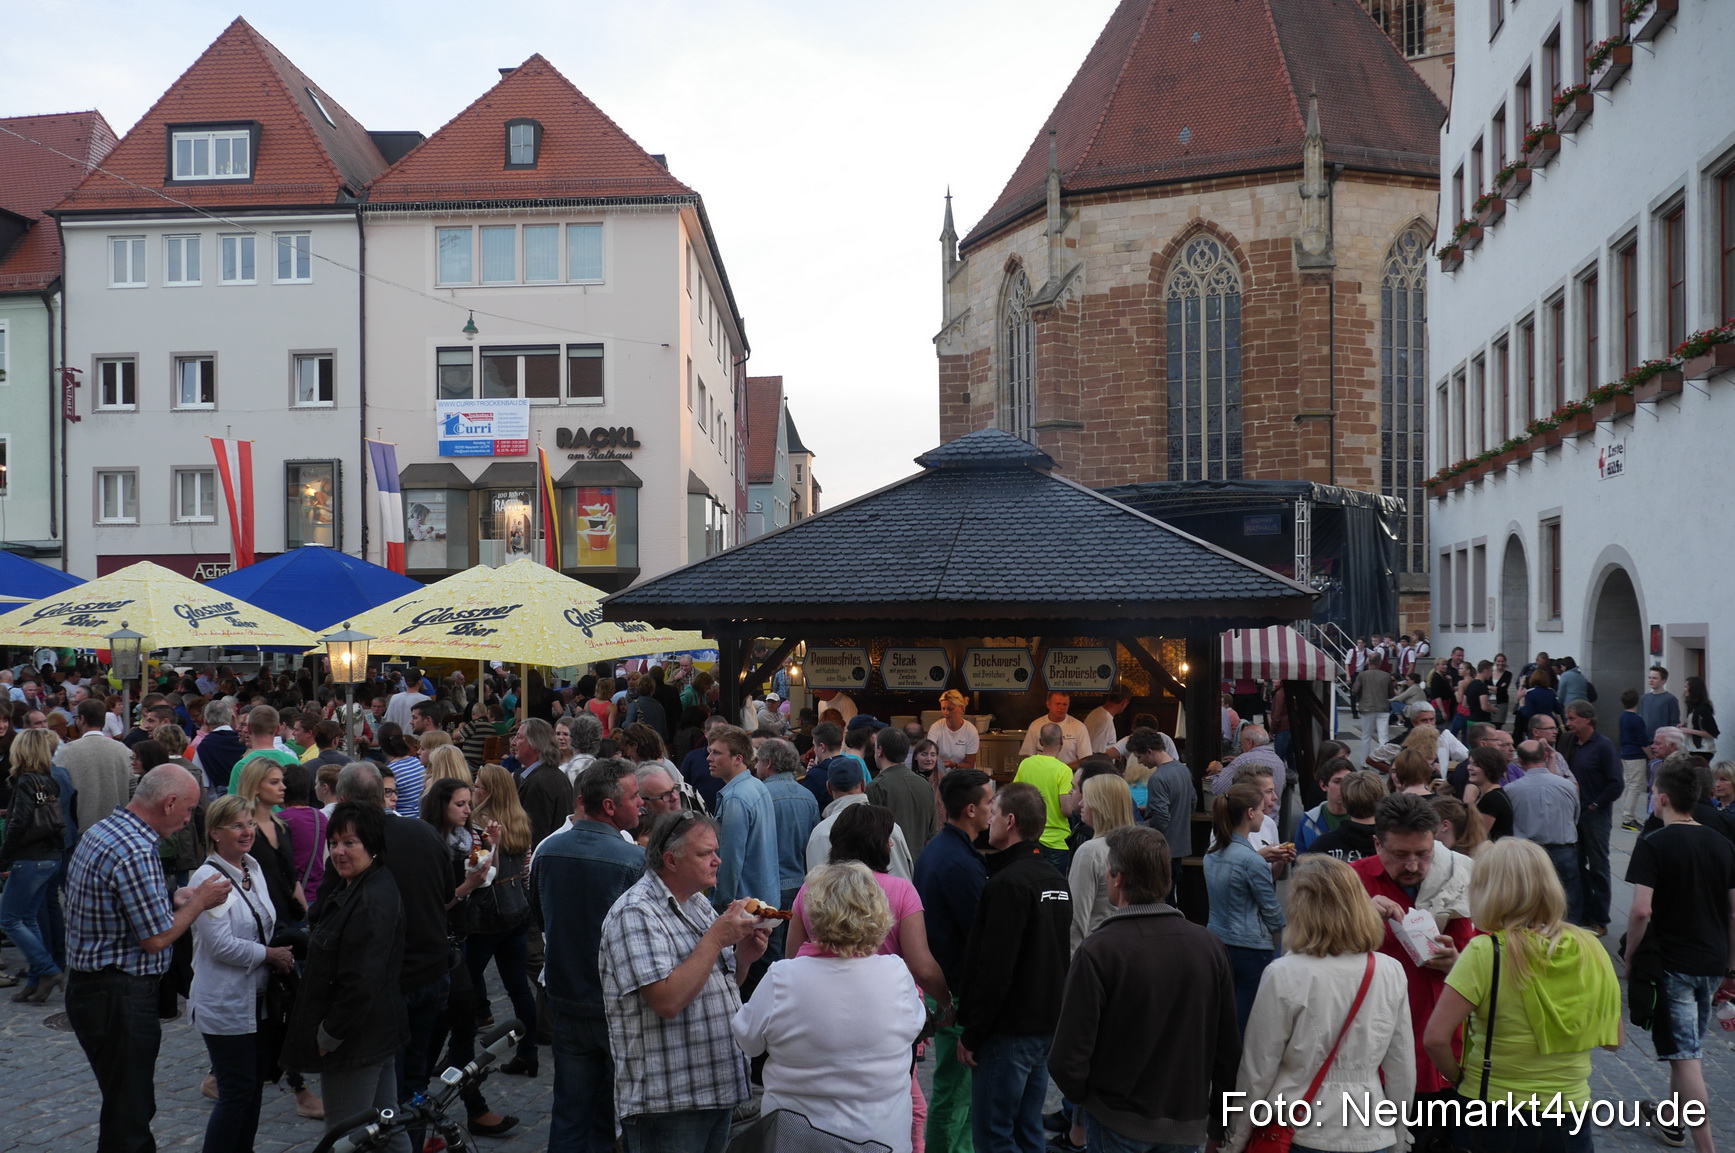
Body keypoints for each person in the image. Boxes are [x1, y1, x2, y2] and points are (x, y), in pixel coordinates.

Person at [64, 765, 230, 1152]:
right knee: (130, 1112)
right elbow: (156, 938)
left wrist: (169, 901)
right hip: (117, 995)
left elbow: (115, 904)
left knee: (125, 1105)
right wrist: (200, 901)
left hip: (97, 991)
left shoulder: (106, 830)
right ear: (168, 803)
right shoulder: (135, 849)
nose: (190, 819)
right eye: (188, 810)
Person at [1047, 825, 1238, 1153]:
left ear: (1117, 879)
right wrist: (1220, 1125)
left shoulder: (1100, 950)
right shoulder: (1209, 947)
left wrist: (1087, 1101)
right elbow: (1227, 1050)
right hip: (1186, 1123)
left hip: (1116, 1119)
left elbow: (1067, 1056)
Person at [1424, 838, 1622, 1153]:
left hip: (1492, 1110)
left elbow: (1435, 1038)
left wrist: (1459, 1078)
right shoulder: (1591, 948)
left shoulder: (1485, 951)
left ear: (1488, 891)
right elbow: (1613, 1041)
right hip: (1568, 1112)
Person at [599, 812, 771, 1152]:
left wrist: (743, 959)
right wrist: (716, 940)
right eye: (705, 853)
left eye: (716, 851)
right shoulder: (636, 912)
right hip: (669, 1101)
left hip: (714, 1089)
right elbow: (667, 1001)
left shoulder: (697, 903)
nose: (717, 860)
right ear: (670, 859)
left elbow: (718, 985)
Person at [734, 862, 928, 1152]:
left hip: (796, 1139)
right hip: (881, 1139)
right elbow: (914, 1026)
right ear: (876, 912)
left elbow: (747, 1041)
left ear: (814, 913)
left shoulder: (783, 977)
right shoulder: (896, 973)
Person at [1227, 855, 1415, 1153]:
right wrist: (1400, 1133)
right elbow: (1401, 1066)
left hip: (1299, 1126)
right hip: (1370, 1126)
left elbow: (1257, 1070)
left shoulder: (1284, 973)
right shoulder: (1389, 970)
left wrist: (1235, 1140)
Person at [281, 802, 411, 1153]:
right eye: (334, 842)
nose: (338, 851)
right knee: (388, 1125)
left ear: (371, 846)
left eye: (349, 843)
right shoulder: (359, 883)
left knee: (344, 1138)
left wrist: (329, 1035)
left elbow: (360, 980)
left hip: (355, 1041)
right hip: (376, 1031)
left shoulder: (371, 898)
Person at [1623, 757, 1735, 1153]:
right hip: (1711, 961)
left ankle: (1706, 1146)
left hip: (1674, 964)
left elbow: (1640, 910)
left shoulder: (1654, 843)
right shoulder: (1721, 844)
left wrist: (1632, 954)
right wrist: (1731, 966)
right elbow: (1734, 909)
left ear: (1663, 798)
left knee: (1687, 1057)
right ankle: (1672, 1122)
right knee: (1682, 1051)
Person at [956, 782, 1072, 1153]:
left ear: (1011, 820)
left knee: (994, 1134)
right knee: (1027, 1129)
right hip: (1044, 1027)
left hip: (1007, 1032)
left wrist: (972, 1032)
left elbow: (995, 967)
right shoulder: (1055, 880)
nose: (988, 818)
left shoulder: (1007, 884)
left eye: (995, 811)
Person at [1353, 793, 1474, 1147]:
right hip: (1379, 1053)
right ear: (1377, 843)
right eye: (1400, 855)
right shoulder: (1351, 884)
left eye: (1423, 854)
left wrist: (1459, 964)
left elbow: (1495, 956)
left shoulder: (1462, 876)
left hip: (1449, 1052)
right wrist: (1358, 915)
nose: (1412, 866)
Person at [537, 759, 645, 1153]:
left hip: (567, 998)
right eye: (634, 797)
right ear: (611, 806)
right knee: (611, 1110)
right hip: (612, 1004)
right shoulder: (632, 860)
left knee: (570, 1109)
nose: (642, 804)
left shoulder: (548, 851)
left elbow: (543, 919)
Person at [189, 793, 297, 1153]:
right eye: (237, 825)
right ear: (215, 833)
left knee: (251, 1089)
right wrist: (269, 954)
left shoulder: (252, 867)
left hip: (259, 1001)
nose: (247, 831)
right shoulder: (208, 878)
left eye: (250, 823)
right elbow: (221, 945)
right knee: (235, 1092)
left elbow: (264, 921)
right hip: (225, 1002)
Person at [914, 769, 993, 1153]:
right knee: (955, 1094)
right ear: (971, 809)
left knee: (956, 1092)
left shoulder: (940, 850)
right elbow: (982, 934)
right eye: (991, 802)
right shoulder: (958, 862)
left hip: (949, 988)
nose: (995, 810)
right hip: (958, 992)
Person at [468, 762, 541, 1077]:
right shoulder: (521, 821)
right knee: (518, 988)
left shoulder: (477, 825)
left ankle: (457, 1055)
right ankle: (529, 1052)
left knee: (466, 981)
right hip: (517, 911)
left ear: (488, 791)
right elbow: (525, 872)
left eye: (478, 785)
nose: (473, 789)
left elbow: (477, 873)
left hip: (486, 916)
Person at [1205, 782, 1284, 1033]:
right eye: (1261, 810)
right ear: (1250, 813)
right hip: (1251, 946)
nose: (1264, 815)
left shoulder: (1212, 854)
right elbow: (1271, 910)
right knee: (1248, 1022)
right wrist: (1278, 937)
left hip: (1218, 940)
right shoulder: (1251, 861)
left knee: (1223, 1015)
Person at [1, 728, 68, 1002]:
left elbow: (20, 822)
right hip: (49, 857)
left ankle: (47, 969)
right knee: (28, 917)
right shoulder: (48, 779)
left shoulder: (27, 781)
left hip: (30, 858)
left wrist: (4, 855)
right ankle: (35, 980)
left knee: (8, 918)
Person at [1560, 699, 1621, 934]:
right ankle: (1582, 911)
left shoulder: (1603, 746)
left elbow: (1616, 783)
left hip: (1595, 816)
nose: (1568, 723)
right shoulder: (1569, 742)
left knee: (1598, 866)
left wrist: (1596, 804)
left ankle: (1600, 918)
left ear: (1588, 719)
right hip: (1573, 814)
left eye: (1573, 718)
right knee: (1575, 864)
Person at [752, 736, 820, 945]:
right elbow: (812, 844)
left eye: (758, 761)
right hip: (801, 885)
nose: (755, 766)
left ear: (769, 763)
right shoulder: (808, 796)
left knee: (768, 951)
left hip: (768, 888)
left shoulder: (759, 795)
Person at [706, 724, 779, 910]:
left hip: (743, 908)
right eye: (710, 752)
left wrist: (721, 907)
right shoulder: (757, 785)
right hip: (763, 901)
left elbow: (729, 862)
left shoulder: (735, 798)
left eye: (716, 753)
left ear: (737, 759)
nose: (709, 758)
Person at [235, 758, 306, 930]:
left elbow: (292, 878)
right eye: (274, 782)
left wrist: (306, 913)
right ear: (256, 787)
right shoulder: (242, 832)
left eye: (282, 781)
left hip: (288, 919)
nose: (283, 787)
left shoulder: (283, 827)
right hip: (255, 922)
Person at [1068, 773, 1136, 952]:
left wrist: (1073, 964)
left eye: (1087, 798)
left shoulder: (1090, 852)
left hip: (1096, 951)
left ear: (1100, 805)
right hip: (1131, 949)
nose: (1081, 803)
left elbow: (1076, 918)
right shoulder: (1139, 845)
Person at [54, 697, 132, 843]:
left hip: (82, 830)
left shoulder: (66, 753)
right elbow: (133, 788)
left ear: (81, 719)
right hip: (118, 831)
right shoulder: (124, 751)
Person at [1012, 722, 1077, 874]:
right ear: (1062, 741)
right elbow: (1066, 810)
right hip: (1057, 842)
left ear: (1040, 742)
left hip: (1028, 838)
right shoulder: (1064, 770)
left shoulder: (1025, 764)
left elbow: (1015, 796)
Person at [868, 726, 939, 859]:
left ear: (879, 750)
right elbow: (932, 834)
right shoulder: (925, 785)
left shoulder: (876, 787)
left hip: (889, 867)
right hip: (920, 866)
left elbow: (873, 837)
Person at [1296, 757, 1355, 853]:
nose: (1344, 787)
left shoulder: (1364, 819)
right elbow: (1300, 858)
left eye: (1348, 781)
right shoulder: (1308, 821)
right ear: (1323, 785)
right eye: (1337, 782)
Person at [1018, 691, 1092, 766]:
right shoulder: (1035, 725)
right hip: (1042, 774)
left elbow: (1085, 759)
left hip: (1069, 775)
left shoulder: (1079, 727)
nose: (1061, 707)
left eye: (1064, 704)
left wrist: (1062, 770)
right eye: (1058, 704)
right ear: (1048, 704)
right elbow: (1026, 756)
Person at [1619, 688, 1652, 831]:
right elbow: (1642, 740)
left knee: (1628, 785)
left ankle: (1626, 814)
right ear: (1637, 702)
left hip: (1625, 754)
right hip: (1635, 755)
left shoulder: (1623, 717)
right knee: (1635, 786)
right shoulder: (1637, 720)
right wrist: (1650, 755)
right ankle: (1628, 818)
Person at [1466, 747, 1513, 842]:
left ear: (1489, 768)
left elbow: (1478, 837)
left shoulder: (1492, 799)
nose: (1469, 768)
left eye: (1476, 765)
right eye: (1470, 763)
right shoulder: (1489, 795)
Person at [1352, 658, 1396, 761]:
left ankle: (1364, 762)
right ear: (1380, 663)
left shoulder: (1362, 675)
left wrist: (1361, 696)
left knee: (1366, 736)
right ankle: (1383, 761)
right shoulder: (1386, 675)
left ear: (1368, 662)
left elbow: (1355, 690)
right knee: (1383, 736)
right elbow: (1391, 694)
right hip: (1383, 708)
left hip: (1367, 707)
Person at [930, 689, 980, 773]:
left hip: (962, 777)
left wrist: (954, 765)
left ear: (961, 708)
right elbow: (930, 754)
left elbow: (970, 765)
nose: (946, 712)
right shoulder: (936, 728)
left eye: (950, 709)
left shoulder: (970, 731)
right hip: (940, 777)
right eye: (943, 708)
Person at [1081, 687, 1133, 762]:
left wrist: (1114, 753)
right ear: (1125, 702)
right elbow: (1096, 755)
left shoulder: (1096, 713)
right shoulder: (1104, 721)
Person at [1681, 675, 1719, 759]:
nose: (1684, 689)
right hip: (1692, 748)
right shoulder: (1692, 707)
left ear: (1694, 689)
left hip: (1703, 750)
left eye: (1686, 687)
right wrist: (1685, 725)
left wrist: (1689, 730)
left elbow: (1712, 733)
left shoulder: (1703, 709)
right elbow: (1697, 724)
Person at [1639, 664, 1682, 739]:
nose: (1651, 680)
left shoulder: (1670, 699)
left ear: (1663, 680)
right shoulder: (1644, 698)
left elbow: (1674, 722)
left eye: (1655, 678)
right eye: (1650, 678)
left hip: (1662, 740)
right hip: (1645, 739)